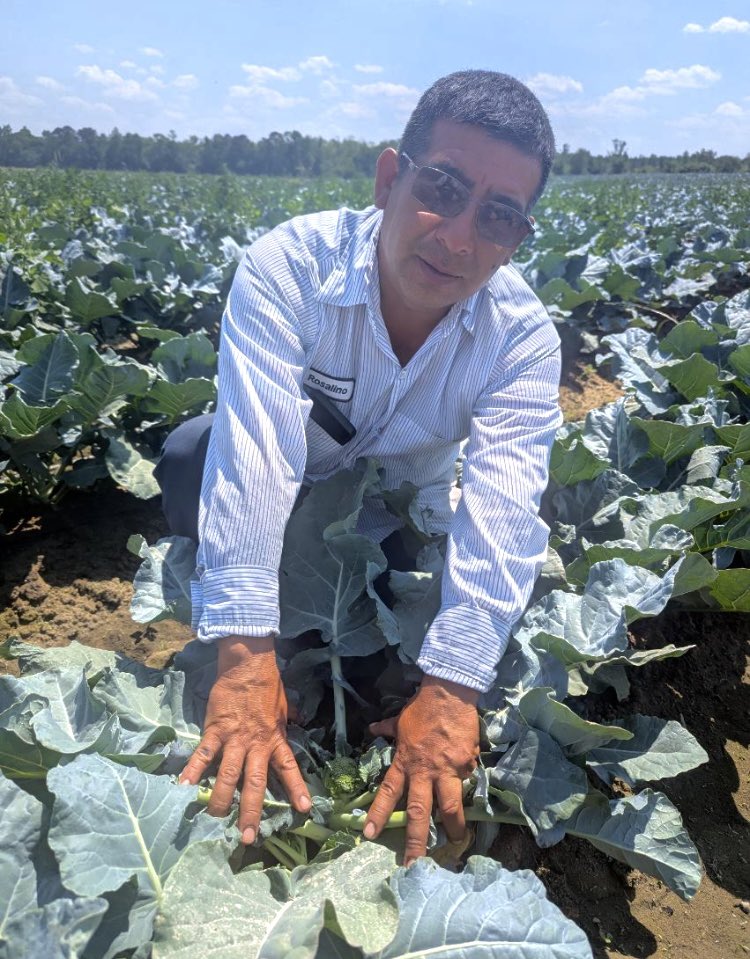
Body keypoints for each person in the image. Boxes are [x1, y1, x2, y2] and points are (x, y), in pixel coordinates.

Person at [156, 69, 561, 865]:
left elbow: (503, 508)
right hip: (286, 493)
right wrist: (242, 656)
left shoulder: (522, 339)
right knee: (192, 455)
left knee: (416, 641)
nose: (457, 236)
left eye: (499, 216)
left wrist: (452, 688)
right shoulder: (288, 268)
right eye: (441, 186)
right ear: (388, 178)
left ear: (517, 238)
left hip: (396, 524)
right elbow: (258, 457)